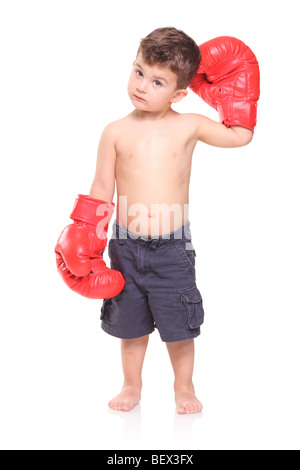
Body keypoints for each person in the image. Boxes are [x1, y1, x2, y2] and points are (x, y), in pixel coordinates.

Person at [55, 27, 260, 414]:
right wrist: (84, 236)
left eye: (157, 81)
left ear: (180, 93)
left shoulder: (190, 125)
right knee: (129, 323)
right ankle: (131, 384)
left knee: (178, 323)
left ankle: (184, 387)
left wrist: (235, 93)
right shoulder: (114, 132)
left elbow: (239, 137)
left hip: (172, 248)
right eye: (138, 72)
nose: (142, 86)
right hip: (126, 246)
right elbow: (101, 189)